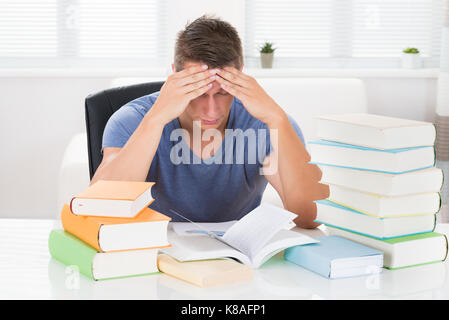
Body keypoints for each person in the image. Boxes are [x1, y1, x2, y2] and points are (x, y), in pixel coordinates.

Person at [92, 14, 329, 227]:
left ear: (241, 75)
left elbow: (308, 217)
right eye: (198, 92)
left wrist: (277, 119)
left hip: (236, 259)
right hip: (153, 254)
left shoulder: (267, 124)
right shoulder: (133, 119)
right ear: (174, 75)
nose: (211, 110)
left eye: (223, 93)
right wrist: (155, 120)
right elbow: (103, 206)